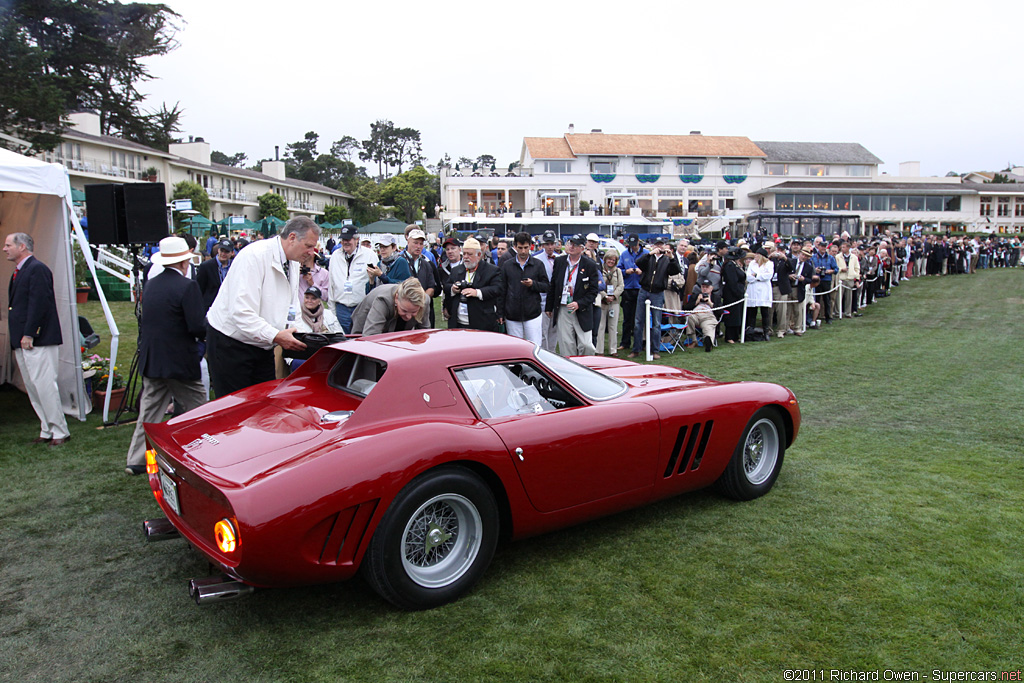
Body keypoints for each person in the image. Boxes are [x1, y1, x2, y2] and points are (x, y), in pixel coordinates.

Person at [205, 217, 317, 397]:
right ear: (292, 237)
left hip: (263, 343)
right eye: (309, 246)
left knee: (263, 403)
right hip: (230, 343)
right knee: (234, 407)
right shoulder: (254, 256)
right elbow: (241, 313)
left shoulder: (293, 262)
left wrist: (304, 336)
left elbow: (291, 306)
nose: (312, 252)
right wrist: (275, 335)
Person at [124, 235, 208, 474]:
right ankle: (204, 456)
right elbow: (196, 326)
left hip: (153, 358)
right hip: (179, 360)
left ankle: (136, 459)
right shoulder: (187, 286)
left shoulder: (152, 285)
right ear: (184, 263)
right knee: (199, 411)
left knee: (149, 412)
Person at [4, 232, 71, 446]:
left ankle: (60, 430)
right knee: (33, 387)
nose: (4, 249)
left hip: (37, 339)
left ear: (21, 246)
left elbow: (39, 303)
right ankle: (47, 428)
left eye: (8, 245)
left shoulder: (37, 269)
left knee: (44, 385)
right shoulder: (21, 271)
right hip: (23, 339)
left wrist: (30, 333)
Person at [545, 234, 599, 356]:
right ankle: (570, 367)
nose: (571, 247)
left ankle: (586, 367)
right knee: (566, 344)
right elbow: (553, 285)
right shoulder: (559, 261)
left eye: (575, 245)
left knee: (586, 345)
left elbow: (593, 291)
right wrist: (549, 307)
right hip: (563, 307)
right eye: (570, 244)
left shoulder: (589, 265)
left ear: (582, 248)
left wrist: (579, 303)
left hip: (582, 309)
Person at [629, 237, 680, 360]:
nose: (659, 248)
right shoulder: (649, 257)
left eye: (661, 245)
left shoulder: (668, 259)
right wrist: (649, 254)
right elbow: (638, 263)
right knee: (638, 322)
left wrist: (672, 257)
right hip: (644, 290)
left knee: (657, 323)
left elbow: (676, 270)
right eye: (657, 245)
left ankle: (655, 350)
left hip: (657, 293)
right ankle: (636, 349)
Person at [499, 232, 549, 345]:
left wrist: (533, 284)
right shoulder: (507, 265)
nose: (523, 251)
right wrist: (500, 313)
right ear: (515, 247)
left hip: (532, 313)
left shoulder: (538, 264)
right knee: (515, 348)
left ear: (530, 246)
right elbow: (502, 290)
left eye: (526, 248)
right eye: (520, 248)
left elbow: (546, 286)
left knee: (535, 346)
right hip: (512, 314)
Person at [445, 237, 504, 332]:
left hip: (482, 322)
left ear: (479, 255)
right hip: (458, 322)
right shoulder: (456, 270)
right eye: (464, 254)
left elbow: (497, 289)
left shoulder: (491, 270)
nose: (466, 257)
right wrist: (453, 288)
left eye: (469, 254)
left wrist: (477, 292)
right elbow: (446, 286)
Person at [328, 225, 377, 333]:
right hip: (341, 307)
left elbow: (375, 282)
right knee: (342, 341)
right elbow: (331, 284)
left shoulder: (369, 255)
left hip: (361, 307)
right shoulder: (335, 256)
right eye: (343, 239)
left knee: (360, 340)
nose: (345, 242)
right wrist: (332, 311)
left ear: (357, 239)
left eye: (348, 239)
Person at [351, 278, 430, 335]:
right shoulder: (383, 300)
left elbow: (424, 333)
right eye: (404, 310)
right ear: (396, 298)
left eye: (414, 312)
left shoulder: (424, 301)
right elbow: (371, 336)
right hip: (364, 326)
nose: (408, 317)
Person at [617, 233, 645, 351]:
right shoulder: (624, 254)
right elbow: (618, 269)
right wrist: (625, 271)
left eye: (635, 244)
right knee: (627, 318)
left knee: (640, 318)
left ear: (639, 241)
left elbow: (650, 270)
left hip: (640, 288)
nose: (633, 247)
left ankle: (641, 343)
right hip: (628, 289)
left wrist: (641, 271)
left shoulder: (646, 254)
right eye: (631, 245)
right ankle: (625, 342)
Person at [532, 230, 559, 352]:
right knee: (543, 332)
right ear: (543, 245)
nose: (549, 247)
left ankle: (552, 354)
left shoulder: (561, 259)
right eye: (547, 244)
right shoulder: (536, 259)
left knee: (554, 331)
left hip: (557, 300)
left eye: (551, 244)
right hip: (542, 300)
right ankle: (543, 355)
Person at [404, 228, 437, 326]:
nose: (418, 246)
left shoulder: (426, 264)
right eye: (415, 243)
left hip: (423, 310)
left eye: (421, 244)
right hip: (404, 311)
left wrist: (421, 301)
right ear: (408, 241)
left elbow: (432, 287)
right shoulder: (400, 262)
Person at [596, 250, 624, 355]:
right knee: (601, 326)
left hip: (614, 302)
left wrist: (614, 296)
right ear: (605, 259)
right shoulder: (600, 270)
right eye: (609, 259)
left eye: (613, 260)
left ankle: (613, 350)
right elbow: (597, 284)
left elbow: (621, 285)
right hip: (602, 301)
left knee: (613, 326)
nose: (611, 262)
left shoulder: (618, 271)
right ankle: (599, 350)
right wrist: (605, 296)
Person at [683, 277, 722, 352]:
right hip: (695, 315)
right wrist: (696, 302)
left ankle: (709, 342)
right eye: (703, 287)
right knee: (689, 317)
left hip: (708, 317)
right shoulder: (695, 296)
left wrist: (710, 303)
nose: (704, 289)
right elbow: (685, 308)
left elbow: (720, 311)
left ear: (711, 288)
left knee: (708, 328)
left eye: (707, 287)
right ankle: (694, 341)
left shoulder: (716, 297)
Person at [196, 238, 233, 311]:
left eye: (226, 252)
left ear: (232, 253)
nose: (223, 254)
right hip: (210, 307)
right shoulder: (206, 266)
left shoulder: (234, 266)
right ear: (218, 250)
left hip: (228, 307)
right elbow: (199, 289)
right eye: (222, 250)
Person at [721, 247, 747, 344]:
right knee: (732, 315)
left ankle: (736, 335)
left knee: (738, 315)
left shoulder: (736, 265)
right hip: (732, 294)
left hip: (738, 293)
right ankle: (729, 336)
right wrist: (738, 292)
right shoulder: (730, 266)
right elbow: (732, 281)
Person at [745, 248, 774, 336]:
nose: (755, 256)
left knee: (764, 312)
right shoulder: (752, 264)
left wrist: (756, 275)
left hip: (764, 289)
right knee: (752, 312)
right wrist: (759, 277)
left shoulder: (769, 264)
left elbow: (768, 276)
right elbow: (748, 277)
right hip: (753, 288)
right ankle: (751, 331)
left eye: (757, 254)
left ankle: (766, 332)